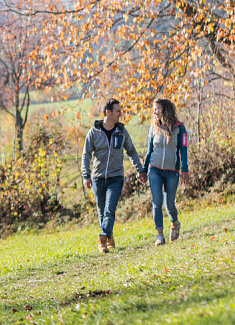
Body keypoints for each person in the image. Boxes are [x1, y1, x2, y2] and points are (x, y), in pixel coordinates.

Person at [81, 98, 144, 253]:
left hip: (116, 177)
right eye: (118, 111)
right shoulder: (94, 132)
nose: (120, 114)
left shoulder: (121, 132)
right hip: (98, 177)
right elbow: (86, 154)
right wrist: (86, 175)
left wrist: (140, 170)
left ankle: (102, 239)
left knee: (109, 209)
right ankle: (109, 236)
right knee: (102, 212)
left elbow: (131, 151)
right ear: (108, 113)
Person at [143, 98, 190, 246]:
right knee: (157, 202)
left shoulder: (179, 128)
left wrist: (184, 170)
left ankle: (174, 223)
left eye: (157, 108)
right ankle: (160, 236)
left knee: (169, 204)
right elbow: (149, 151)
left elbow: (183, 150)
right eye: (154, 108)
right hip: (154, 169)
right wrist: (143, 169)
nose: (154, 111)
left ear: (165, 109)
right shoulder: (153, 127)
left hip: (172, 171)